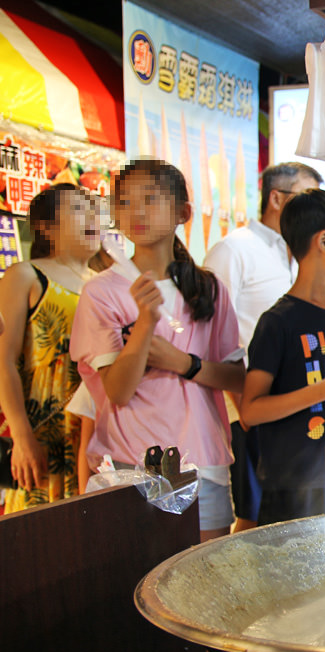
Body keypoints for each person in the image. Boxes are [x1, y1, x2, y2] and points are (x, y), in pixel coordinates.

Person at [70, 159, 245, 543]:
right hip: (128, 460)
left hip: (201, 459)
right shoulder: (101, 291)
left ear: (183, 212)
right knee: (127, 581)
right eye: (126, 202)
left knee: (202, 580)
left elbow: (236, 377)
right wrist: (145, 325)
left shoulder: (208, 288)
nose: (137, 211)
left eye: (150, 199)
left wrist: (184, 364)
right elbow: (117, 391)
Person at [203, 162, 323, 532]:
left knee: (282, 512)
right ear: (276, 197)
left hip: (293, 409)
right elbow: (210, 333)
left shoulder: (295, 252)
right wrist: (243, 410)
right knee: (251, 512)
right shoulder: (233, 249)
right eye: (306, 196)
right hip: (247, 406)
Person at [240, 189, 325, 525]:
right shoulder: (278, 322)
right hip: (291, 488)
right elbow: (250, 411)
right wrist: (322, 391)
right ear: (324, 240)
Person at [0, 183, 99, 511]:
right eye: (78, 209)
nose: (91, 216)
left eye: (94, 209)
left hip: (96, 437)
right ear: (44, 226)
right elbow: (3, 361)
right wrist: (21, 435)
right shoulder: (26, 275)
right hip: (42, 435)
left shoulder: (104, 282)